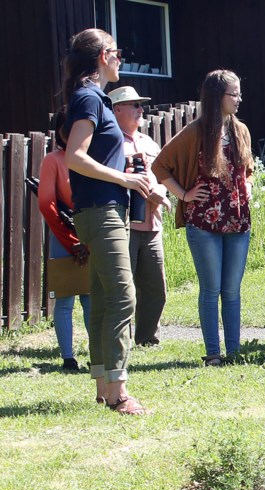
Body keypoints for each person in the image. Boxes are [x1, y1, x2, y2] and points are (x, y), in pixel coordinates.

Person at [62, 28, 153, 414]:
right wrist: (125, 178)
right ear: (103, 56)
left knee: (102, 297)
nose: (121, 59)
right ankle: (118, 392)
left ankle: (103, 385)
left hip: (99, 210)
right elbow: (75, 157)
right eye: (117, 53)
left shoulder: (93, 97)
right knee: (122, 296)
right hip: (101, 211)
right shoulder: (88, 98)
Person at [153, 70, 254, 366]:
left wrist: (247, 185)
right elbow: (160, 166)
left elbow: (247, 169)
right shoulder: (195, 132)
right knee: (211, 290)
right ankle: (213, 354)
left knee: (232, 291)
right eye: (233, 94)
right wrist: (183, 195)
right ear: (215, 97)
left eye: (238, 93)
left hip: (237, 220)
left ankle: (233, 353)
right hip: (203, 222)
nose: (238, 99)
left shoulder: (241, 131)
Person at [107, 86, 170, 347]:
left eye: (141, 105)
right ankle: (120, 340)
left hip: (152, 224)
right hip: (124, 225)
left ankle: (147, 339)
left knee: (156, 288)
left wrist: (160, 190)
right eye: (134, 105)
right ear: (117, 109)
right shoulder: (109, 143)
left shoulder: (149, 143)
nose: (140, 110)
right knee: (124, 288)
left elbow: (165, 175)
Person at [38, 109, 90, 371]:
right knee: (65, 299)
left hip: (92, 235)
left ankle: (99, 352)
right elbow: (47, 205)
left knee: (92, 297)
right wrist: (71, 241)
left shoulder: (92, 157)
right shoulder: (53, 160)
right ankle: (68, 357)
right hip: (64, 236)